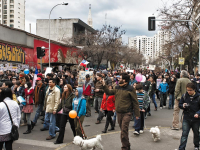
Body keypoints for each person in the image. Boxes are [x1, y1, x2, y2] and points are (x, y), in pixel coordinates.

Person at [102, 73, 140, 150]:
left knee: (123, 131)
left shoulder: (131, 89)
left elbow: (135, 102)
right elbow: (109, 92)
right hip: (119, 112)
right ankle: (127, 145)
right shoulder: (117, 87)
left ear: (124, 80)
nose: (119, 79)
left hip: (127, 113)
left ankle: (125, 147)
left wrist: (137, 114)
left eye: (120, 78)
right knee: (123, 131)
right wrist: (104, 85)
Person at [178, 83, 200, 150]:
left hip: (196, 119)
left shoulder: (198, 97)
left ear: (194, 90)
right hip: (186, 117)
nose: (188, 92)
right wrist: (183, 105)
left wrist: (198, 113)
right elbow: (180, 104)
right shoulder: (184, 96)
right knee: (184, 134)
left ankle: (196, 146)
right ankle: (182, 148)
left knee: (196, 134)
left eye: (190, 90)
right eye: (187, 90)